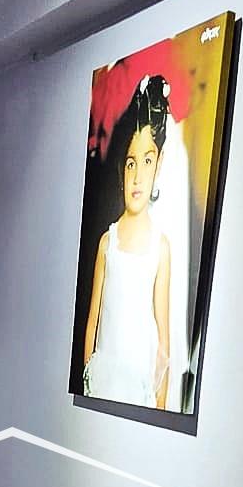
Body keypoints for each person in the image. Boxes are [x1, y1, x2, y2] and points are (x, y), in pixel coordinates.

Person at [79, 76, 173, 409]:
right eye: (131, 162)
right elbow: (93, 319)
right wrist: (88, 379)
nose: (137, 176)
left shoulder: (161, 247)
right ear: (122, 167)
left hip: (138, 386)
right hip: (104, 381)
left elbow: (163, 338)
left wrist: (160, 408)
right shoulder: (108, 242)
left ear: (159, 164)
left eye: (147, 161)